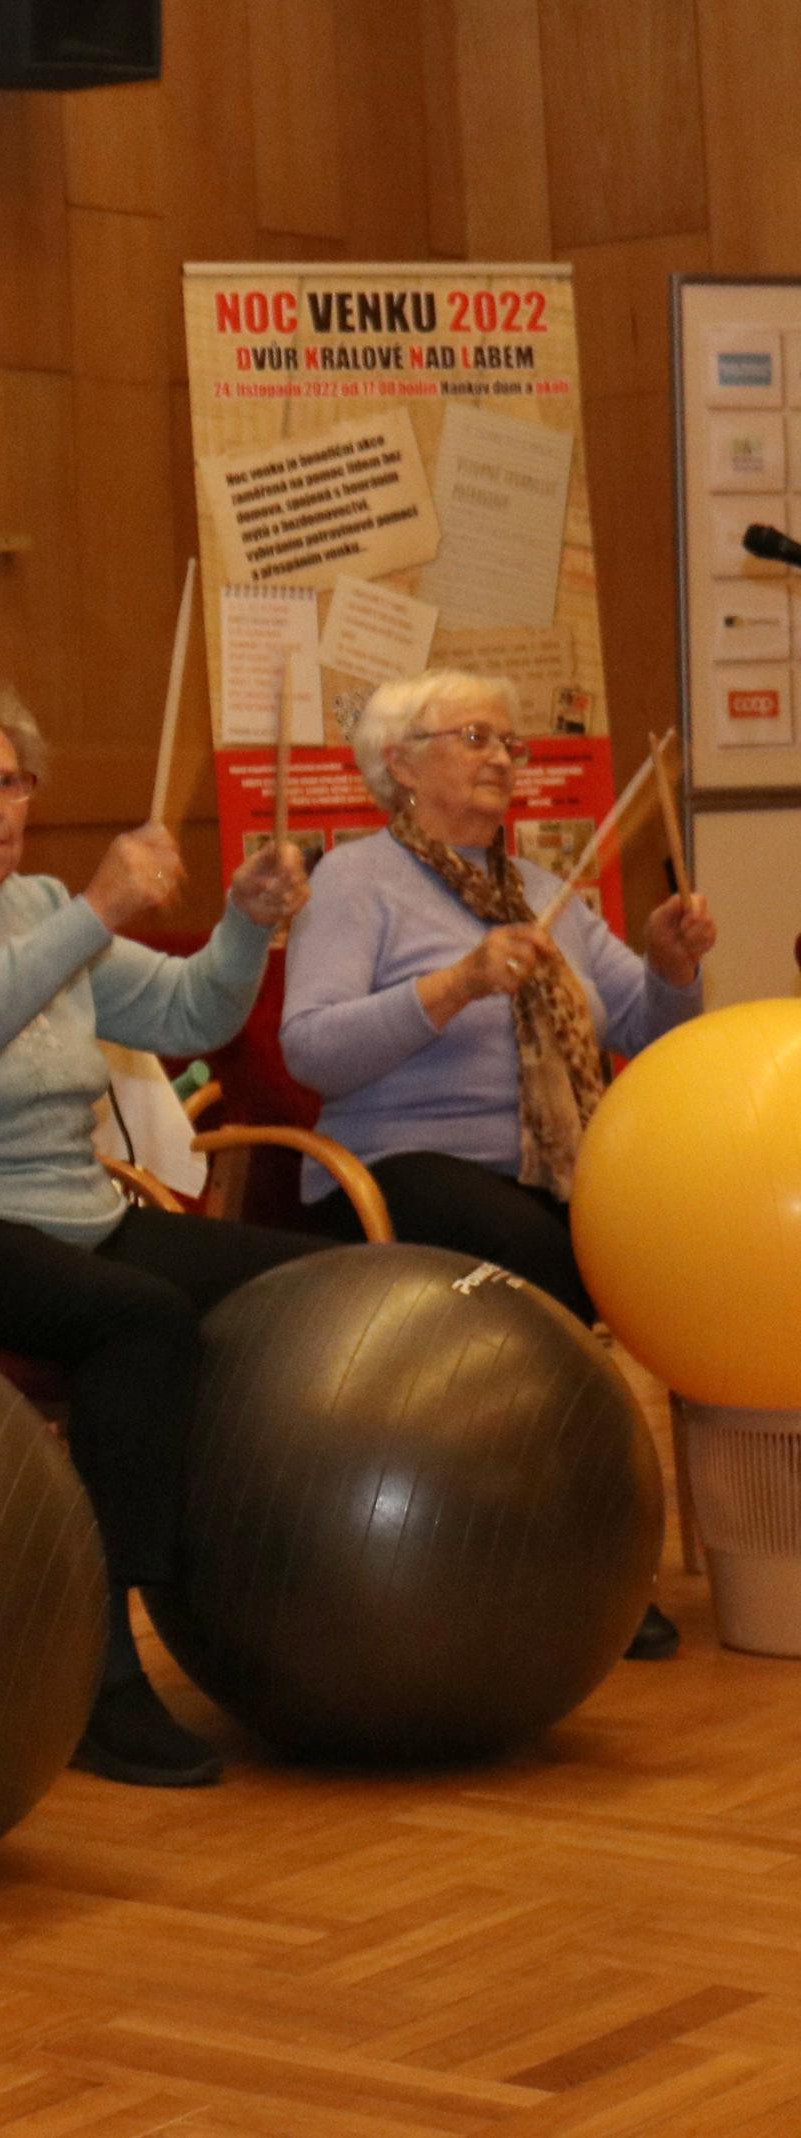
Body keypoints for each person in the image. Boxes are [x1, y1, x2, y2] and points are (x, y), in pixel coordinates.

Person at [0, 671, 324, 1789]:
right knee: (137, 1322)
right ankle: (100, 1663)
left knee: (313, 1287)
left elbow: (190, 1014)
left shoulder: (37, 905)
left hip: (67, 1209)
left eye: (7, 779)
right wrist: (96, 910)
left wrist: (244, 920)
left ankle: (266, 1588)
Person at [281, 667, 712, 1659]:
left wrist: (671, 962)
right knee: (556, 1271)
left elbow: (647, 1024)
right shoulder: (353, 880)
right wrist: (450, 984)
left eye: (509, 742)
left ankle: (593, 1555)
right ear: (398, 762)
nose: (499, 757)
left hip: (546, 1170)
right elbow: (311, 1048)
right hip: (399, 1163)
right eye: (473, 735)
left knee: (645, 1255)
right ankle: (582, 1567)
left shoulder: (543, 890)